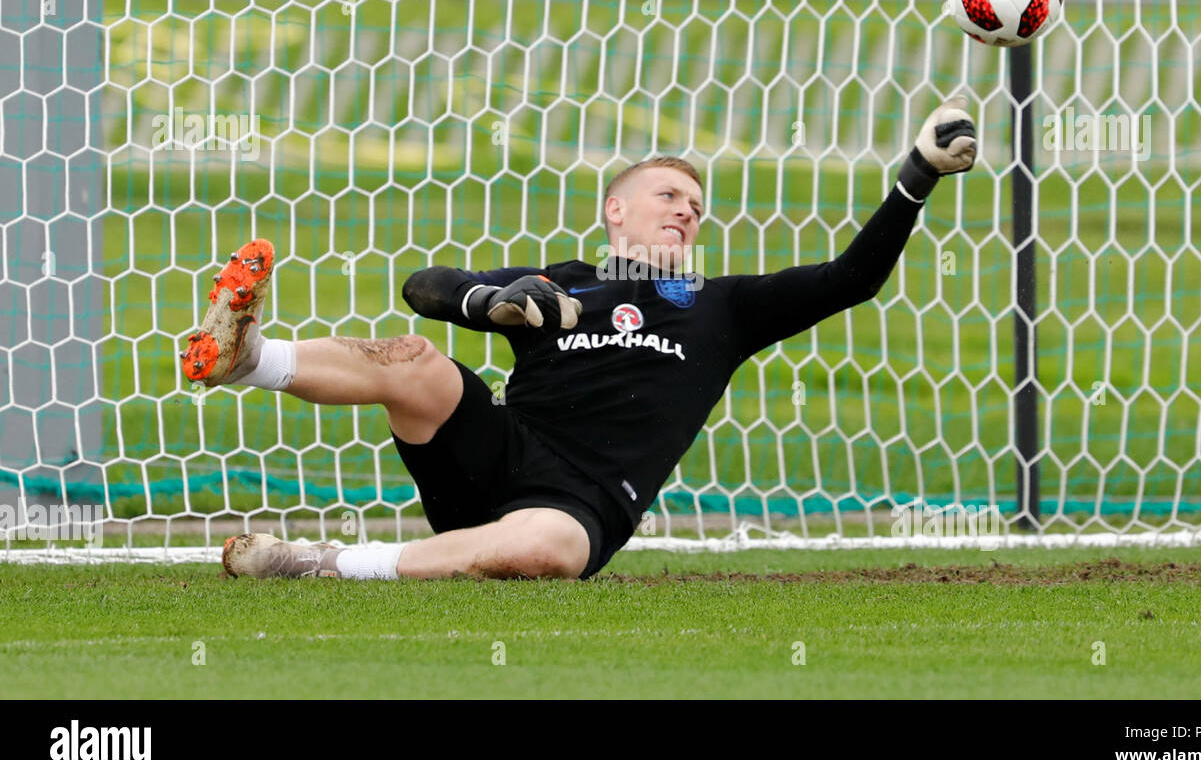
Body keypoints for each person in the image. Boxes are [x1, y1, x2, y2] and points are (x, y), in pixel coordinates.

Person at [187, 97, 977, 581]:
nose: (686, 211)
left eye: (697, 206)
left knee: (551, 550)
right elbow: (425, 286)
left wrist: (917, 174)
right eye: (668, 193)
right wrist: (499, 301)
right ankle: (248, 357)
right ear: (616, 210)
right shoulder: (562, 280)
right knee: (416, 360)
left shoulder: (723, 307)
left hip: (577, 502)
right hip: (493, 453)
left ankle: (319, 564)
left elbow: (851, 278)